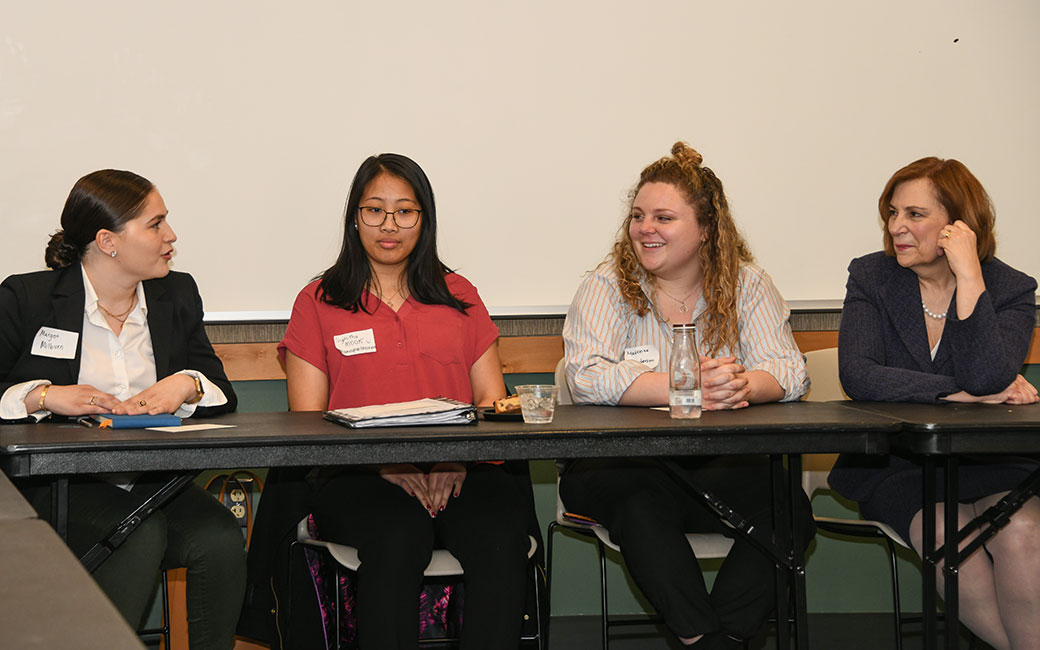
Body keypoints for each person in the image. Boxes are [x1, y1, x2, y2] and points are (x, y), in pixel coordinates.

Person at [559, 142, 812, 649]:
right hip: (621, 467)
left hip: (717, 465)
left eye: (663, 217)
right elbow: (585, 375)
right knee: (640, 505)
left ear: (706, 230)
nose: (644, 228)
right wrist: (686, 383)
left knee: (789, 513)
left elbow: (791, 370)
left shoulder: (749, 285)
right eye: (637, 215)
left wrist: (742, 384)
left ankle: (728, 635)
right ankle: (707, 639)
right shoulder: (607, 285)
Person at [277, 152, 532, 649]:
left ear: (425, 219)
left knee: (500, 530)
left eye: (405, 211)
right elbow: (307, 422)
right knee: (398, 537)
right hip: (356, 475)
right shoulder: (319, 300)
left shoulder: (460, 295)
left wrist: (455, 459)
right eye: (375, 210)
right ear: (355, 218)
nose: (389, 225)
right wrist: (382, 466)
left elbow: (490, 400)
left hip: (462, 468)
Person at [0, 169, 246, 650]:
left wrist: (186, 385)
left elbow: (221, 390)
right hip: (58, 485)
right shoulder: (27, 299)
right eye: (155, 225)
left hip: (155, 482)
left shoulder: (176, 294)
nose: (170, 236)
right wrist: (46, 395)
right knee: (137, 532)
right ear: (108, 242)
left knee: (217, 536)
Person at [829, 157, 1040, 650]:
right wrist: (954, 391)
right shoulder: (871, 277)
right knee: (949, 535)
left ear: (959, 225)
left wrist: (970, 278)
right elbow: (858, 375)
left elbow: (988, 376)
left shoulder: (1010, 289)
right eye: (892, 212)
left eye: (915, 214)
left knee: (1024, 530)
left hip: (992, 460)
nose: (896, 227)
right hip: (900, 461)